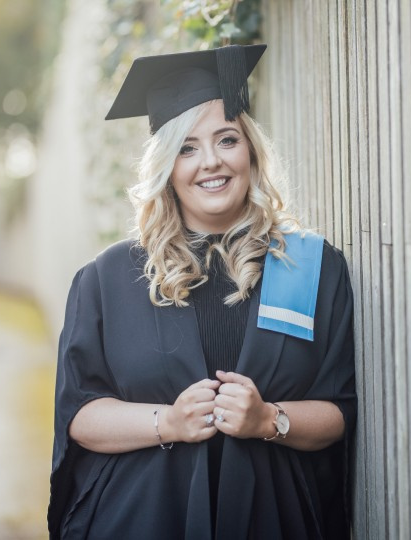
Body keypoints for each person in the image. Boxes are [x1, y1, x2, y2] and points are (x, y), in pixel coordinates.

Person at [48, 44, 356, 539]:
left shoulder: (309, 266)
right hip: (143, 518)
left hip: (272, 518)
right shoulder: (109, 279)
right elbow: (80, 414)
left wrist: (268, 420)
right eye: (186, 148)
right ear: (166, 167)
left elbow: (339, 410)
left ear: (251, 149)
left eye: (227, 139)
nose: (210, 162)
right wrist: (167, 422)